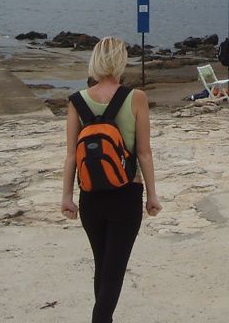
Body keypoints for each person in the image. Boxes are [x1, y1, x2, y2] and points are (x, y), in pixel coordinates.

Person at [61, 37, 162, 323]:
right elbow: (144, 152)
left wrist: (67, 197)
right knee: (114, 272)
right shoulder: (136, 98)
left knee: (103, 267)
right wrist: (152, 195)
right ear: (121, 61)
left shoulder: (78, 100)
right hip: (126, 193)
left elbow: (71, 155)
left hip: (90, 195)